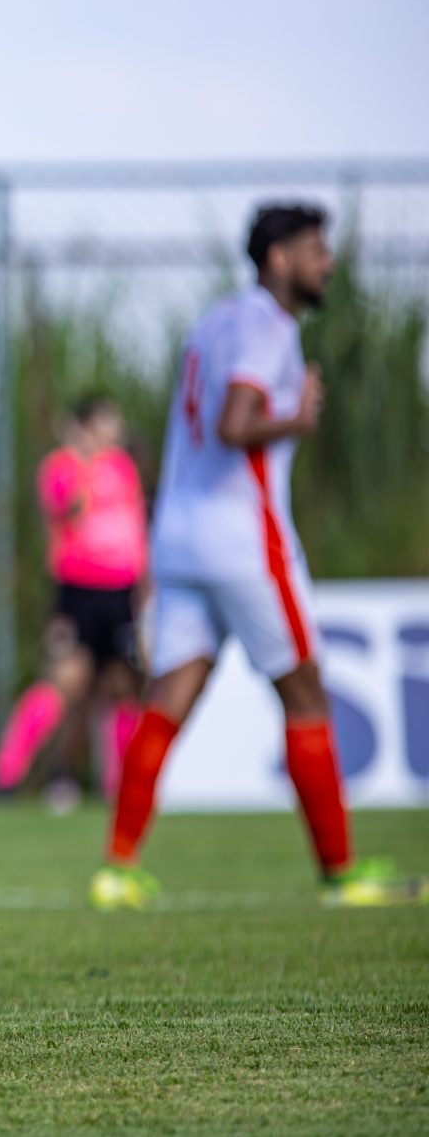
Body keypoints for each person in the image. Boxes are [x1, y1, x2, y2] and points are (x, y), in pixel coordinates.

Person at [91, 204, 425, 910]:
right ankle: (341, 875)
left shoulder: (212, 320)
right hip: (242, 535)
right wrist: (297, 420)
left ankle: (116, 869)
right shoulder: (269, 326)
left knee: (170, 696)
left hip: (178, 535)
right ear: (277, 258)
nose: (326, 262)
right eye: (313, 249)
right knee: (305, 689)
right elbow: (236, 422)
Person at [0, 396, 147, 806]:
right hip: (78, 593)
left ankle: (123, 784)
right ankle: (5, 773)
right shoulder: (63, 467)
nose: (114, 432)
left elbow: (136, 531)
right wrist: (81, 459)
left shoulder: (122, 468)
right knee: (65, 682)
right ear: (84, 426)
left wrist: (145, 588)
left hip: (121, 595)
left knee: (122, 686)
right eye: (107, 423)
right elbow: (68, 508)